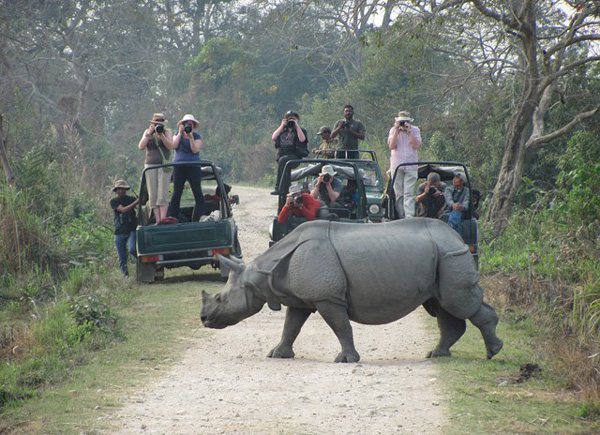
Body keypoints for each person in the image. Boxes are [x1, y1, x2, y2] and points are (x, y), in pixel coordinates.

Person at [168, 114, 207, 222]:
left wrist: (190, 137)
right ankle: (173, 216)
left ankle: (202, 214)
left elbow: (195, 150)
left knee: (197, 190)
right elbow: (173, 146)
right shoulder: (177, 134)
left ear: (193, 126)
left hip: (193, 166)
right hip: (178, 166)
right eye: (186, 124)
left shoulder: (197, 137)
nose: (188, 126)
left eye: (190, 124)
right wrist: (180, 134)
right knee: (177, 192)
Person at [138, 113, 174, 224]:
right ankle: (157, 219)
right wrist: (149, 133)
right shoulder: (147, 132)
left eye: (160, 123)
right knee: (153, 193)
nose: (158, 125)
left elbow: (171, 146)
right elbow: (141, 146)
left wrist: (161, 135)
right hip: (150, 166)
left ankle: (163, 218)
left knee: (162, 192)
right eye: (156, 123)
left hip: (164, 166)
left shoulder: (167, 132)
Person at [387, 110, 421, 219]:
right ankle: (401, 216)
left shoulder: (415, 130)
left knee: (409, 193)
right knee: (399, 193)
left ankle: (409, 216)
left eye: (405, 121)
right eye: (401, 121)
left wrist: (409, 132)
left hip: (411, 165)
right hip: (397, 165)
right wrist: (397, 131)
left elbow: (416, 145)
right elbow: (391, 146)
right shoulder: (393, 130)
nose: (403, 124)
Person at [271, 110, 309, 195]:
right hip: (282, 157)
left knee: (283, 160)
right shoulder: (283, 130)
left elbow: (302, 139)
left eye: (294, 119)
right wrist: (282, 125)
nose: (291, 120)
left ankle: (278, 187)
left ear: (297, 119)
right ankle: (285, 191)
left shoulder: (301, 130)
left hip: (294, 157)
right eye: (289, 119)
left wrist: (296, 125)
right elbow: (274, 137)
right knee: (285, 169)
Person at [110, 180, 139, 277]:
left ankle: (142, 265)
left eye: (123, 189)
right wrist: (136, 202)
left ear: (126, 189)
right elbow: (123, 210)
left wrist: (141, 200)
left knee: (132, 250)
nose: (121, 191)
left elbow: (140, 207)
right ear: (116, 191)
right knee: (122, 258)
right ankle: (125, 276)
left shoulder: (131, 199)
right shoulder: (114, 201)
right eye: (119, 189)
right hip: (119, 232)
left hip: (132, 229)